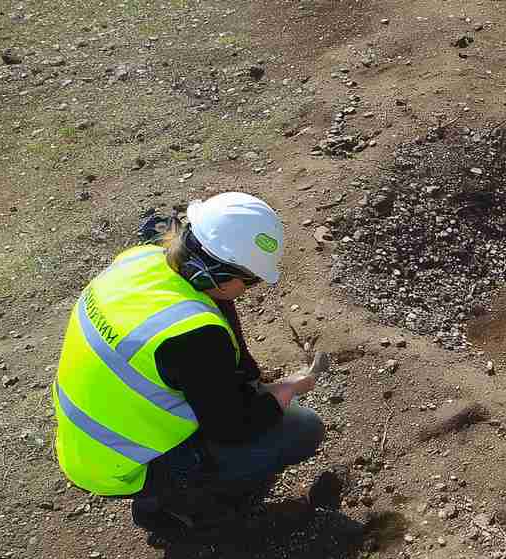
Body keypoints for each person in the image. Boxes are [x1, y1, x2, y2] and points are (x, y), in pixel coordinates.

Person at [50, 191, 325, 534]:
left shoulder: (141, 260)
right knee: (301, 428)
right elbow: (232, 428)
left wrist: (248, 380)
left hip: (87, 442)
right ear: (219, 274)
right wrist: (284, 391)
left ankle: (176, 488)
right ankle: (180, 508)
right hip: (120, 464)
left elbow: (214, 321)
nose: (250, 289)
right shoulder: (194, 337)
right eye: (250, 280)